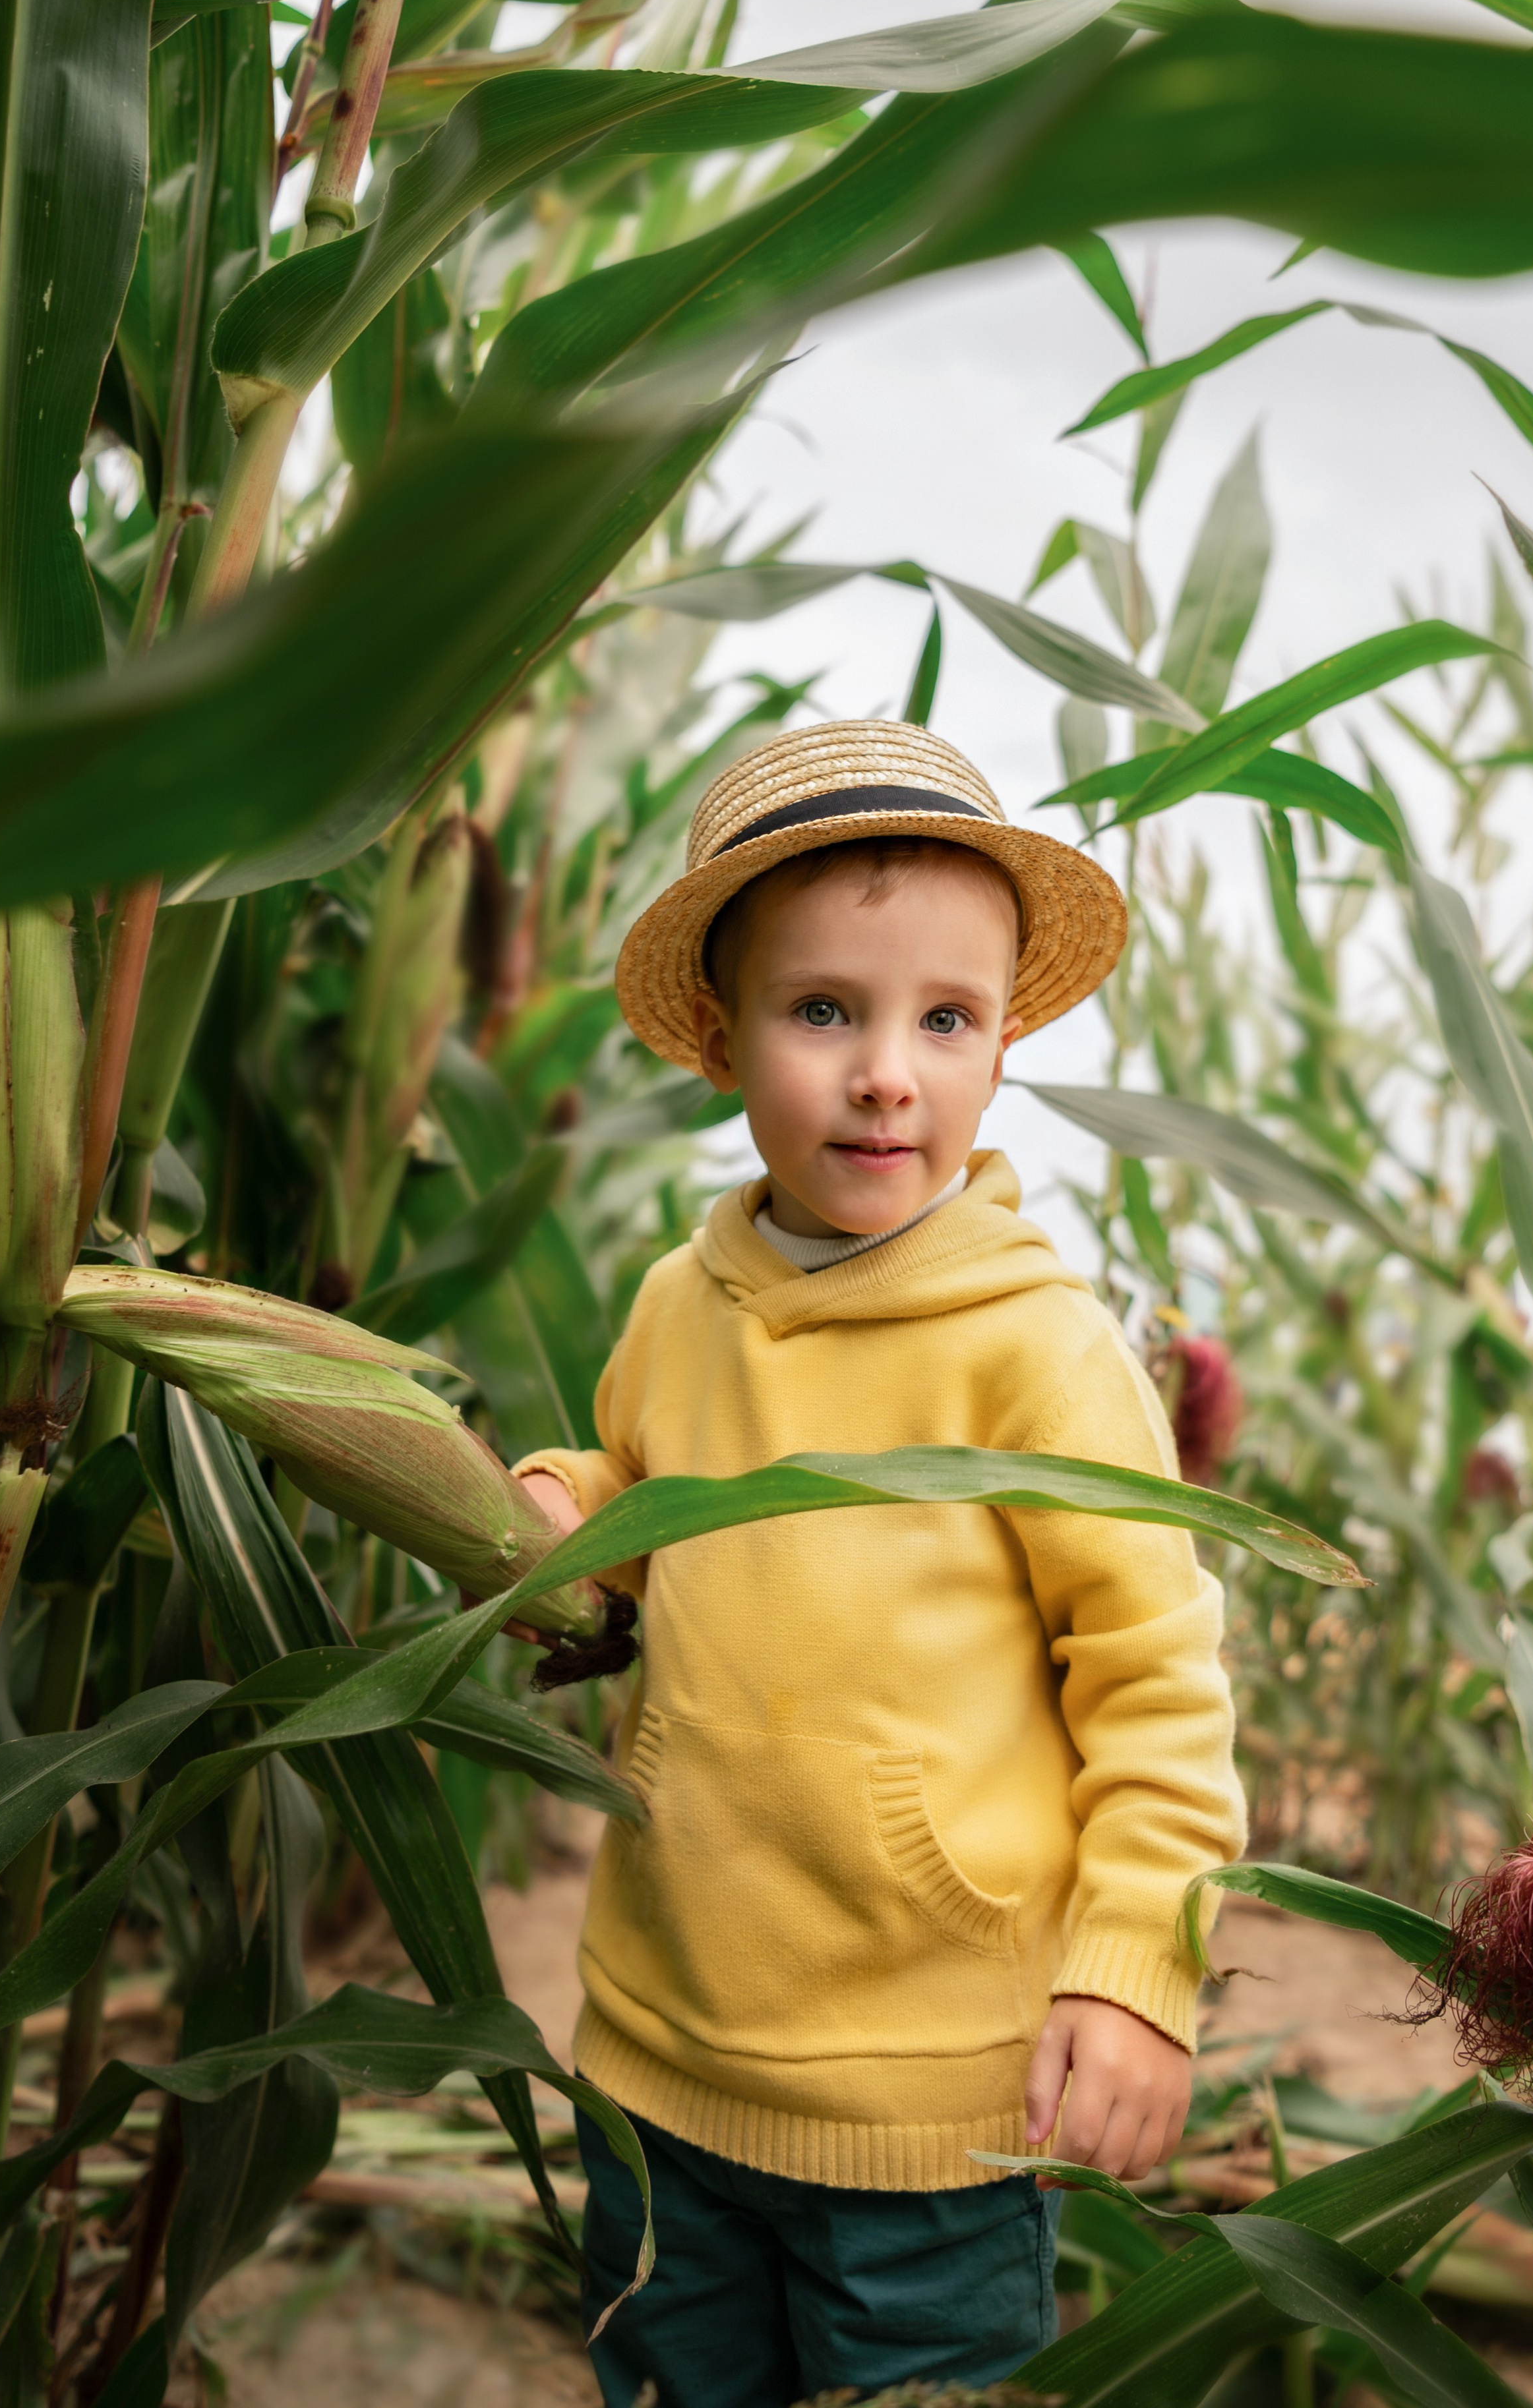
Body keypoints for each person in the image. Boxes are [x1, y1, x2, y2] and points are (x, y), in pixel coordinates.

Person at [513, 720, 1246, 2407]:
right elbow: (636, 1474)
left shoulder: (1036, 1354)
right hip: (652, 2055)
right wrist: (555, 1505)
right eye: (821, 1009)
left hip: (931, 2118)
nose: (883, 1074)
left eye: (945, 1019)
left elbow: (1154, 1688)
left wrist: (1133, 1974)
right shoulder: (677, 1299)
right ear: (718, 1034)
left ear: (1000, 1047)